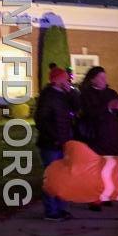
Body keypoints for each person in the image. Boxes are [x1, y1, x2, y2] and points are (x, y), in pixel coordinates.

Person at [78, 66, 118, 209]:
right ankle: (94, 198)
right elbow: (88, 113)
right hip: (96, 135)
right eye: (100, 78)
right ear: (92, 79)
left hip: (113, 135)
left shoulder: (111, 92)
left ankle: (106, 194)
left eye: (105, 77)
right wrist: (107, 107)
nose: (104, 80)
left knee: (110, 167)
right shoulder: (86, 94)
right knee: (96, 168)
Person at [34, 66, 75, 221]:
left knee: (62, 176)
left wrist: (70, 91)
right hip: (51, 144)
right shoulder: (48, 96)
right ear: (56, 79)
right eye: (65, 77)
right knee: (52, 176)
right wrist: (55, 137)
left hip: (64, 142)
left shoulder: (64, 95)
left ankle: (61, 208)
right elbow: (41, 120)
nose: (67, 80)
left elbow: (77, 107)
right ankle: (51, 211)